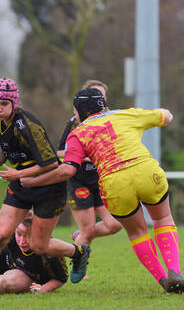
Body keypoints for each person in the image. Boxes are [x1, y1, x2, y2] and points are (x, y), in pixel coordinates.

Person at [20, 87, 184, 293]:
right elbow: (166, 117)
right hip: (146, 171)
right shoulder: (125, 114)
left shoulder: (77, 133)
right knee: (162, 219)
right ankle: (175, 271)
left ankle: (162, 279)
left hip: (114, 183)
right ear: (103, 106)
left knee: (137, 232)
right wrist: (162, 112)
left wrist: (35, 181)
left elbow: (67, 170)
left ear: (78, 112)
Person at [0, 77, 90, 297]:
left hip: (49, 187)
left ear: (14, 104)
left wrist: (18, 173)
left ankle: (78, 252)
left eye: (4, 104)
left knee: (39, 245)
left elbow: (49, 163)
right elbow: (2, 158)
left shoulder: (27, 126)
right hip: (21, 185)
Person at [57, 80, 122, 277]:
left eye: (101, 97)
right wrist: (86, 155)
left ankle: (80, 239)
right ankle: (76, 265)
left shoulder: (111, 121)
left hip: (102, 181)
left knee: (114, 224)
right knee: (88, 228)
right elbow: (60, 152)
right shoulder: (74, 122)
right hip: (79, 181)